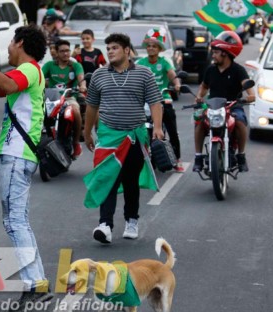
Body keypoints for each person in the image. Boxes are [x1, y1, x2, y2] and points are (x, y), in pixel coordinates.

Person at [0, 25, 53, 312]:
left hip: (17, 154)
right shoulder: (26, 73)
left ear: (20, 43)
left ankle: (34, 285)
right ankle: (37, 283)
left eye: (11, 43)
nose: (7, 49)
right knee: (18, 221)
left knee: (15, 222)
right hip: (16, 154)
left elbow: (4, 86)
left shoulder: (29, 70)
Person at [83, 33, 163, 244]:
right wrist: (86, 131)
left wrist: (157, 127)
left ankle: (131, 220)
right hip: (108, 136)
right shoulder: (99, 75)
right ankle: (105, 225)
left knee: (130, 181)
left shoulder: (144, 74)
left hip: (134, 136)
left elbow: (155, 102)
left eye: (115, 47)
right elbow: (91, 106)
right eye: (108, 48)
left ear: (127, 50)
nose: (110, 51)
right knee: (106, 179)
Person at [192, 31, 255, 173]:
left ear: (225, 53)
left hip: (233, 107)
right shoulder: (210, 70)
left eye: (215, 52)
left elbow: (250, 91)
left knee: (239, 122)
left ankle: (241, 155)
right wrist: (199, 96)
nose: (212, 55)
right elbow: (204, 86)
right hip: (213, 107)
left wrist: (248, 97)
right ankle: (198, 157)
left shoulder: (239, 70)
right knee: (200, 121)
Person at [136, 27, 183, 172]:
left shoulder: (164, 62)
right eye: (148, 46)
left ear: (159, 49)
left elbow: (172, 75)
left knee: (172, 129)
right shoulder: (140, 63)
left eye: (154, 46)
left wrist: (176, 84)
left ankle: (177, 159)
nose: (151, 48)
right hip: (144, 101)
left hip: (163, 98)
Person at [42, 39, 86, 159]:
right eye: (62, 51)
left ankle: (75, 143)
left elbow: (81, 77)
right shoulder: (49, 65)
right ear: (56, 52)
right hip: (52, 99)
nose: (66, 53)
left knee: (76, 110)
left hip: (69, 98)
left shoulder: (75, 65)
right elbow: (39, 77)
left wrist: (82, 85)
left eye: (67, 51)